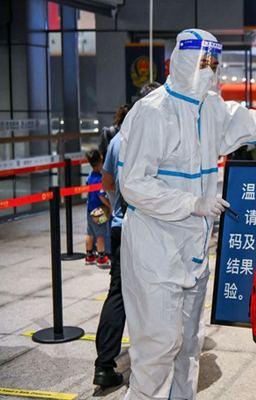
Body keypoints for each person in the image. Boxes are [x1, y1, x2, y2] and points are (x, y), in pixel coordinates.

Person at [118, 29, 256, 400]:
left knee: (189, 347)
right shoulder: (152, 113)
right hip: (155, 247)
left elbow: (254, 124)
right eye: (202, 62)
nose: (209, 71)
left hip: (194, 249)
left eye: (214, 64)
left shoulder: (211, 109)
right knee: (158, 347)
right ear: (181, 61)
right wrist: (190, 204)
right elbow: (133, 184)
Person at [93, 82, 161, 388]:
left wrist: (120, 197)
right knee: (156, 294)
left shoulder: (119, 139)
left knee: (118, 293)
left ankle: (104, 364)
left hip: (121, 227)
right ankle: (152, 362)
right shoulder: (160, 138)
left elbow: (107, 181)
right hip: (153, 230)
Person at [85, 149, 110, 267]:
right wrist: (109, 206)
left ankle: (89, 255)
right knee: (100, 234)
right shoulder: (100, 179)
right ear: (100, 163)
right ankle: (101, 256)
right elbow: (101, 196)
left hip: (89, 209)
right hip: (98, 211)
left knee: (90, 233)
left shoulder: (89, 177)